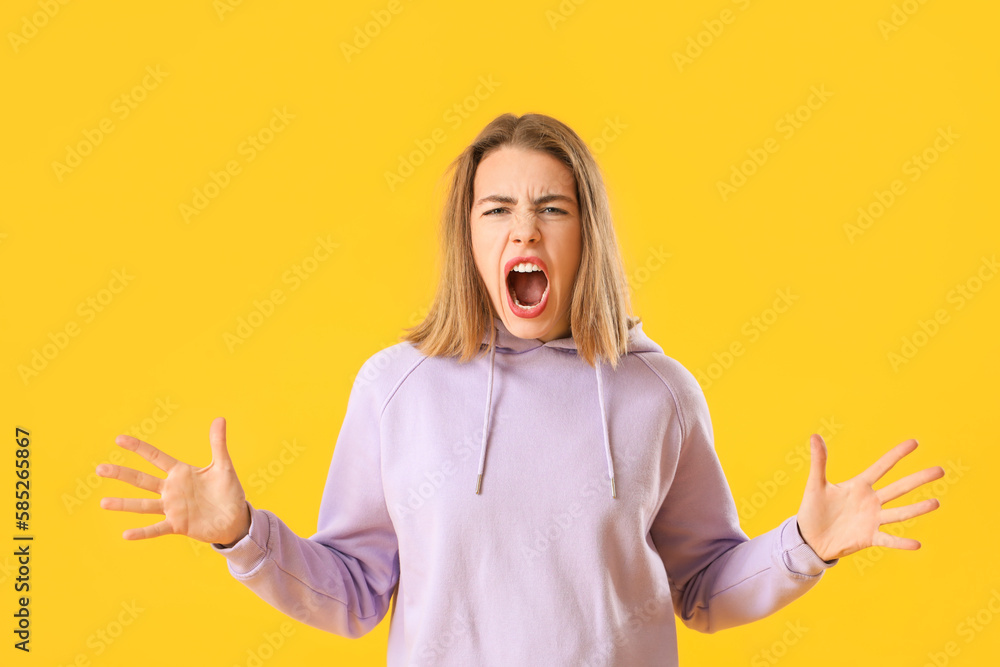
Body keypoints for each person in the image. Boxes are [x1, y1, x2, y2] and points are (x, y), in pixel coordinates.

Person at [96, 113, 944, 666]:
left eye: (552, 208)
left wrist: (807, 543)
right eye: (495, 208)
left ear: (587, 234)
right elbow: (354, 591)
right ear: (468, 236)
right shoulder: (399, 386)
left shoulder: (661, 393)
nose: (524, 228)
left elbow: (705, 588)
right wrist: (241, 535)